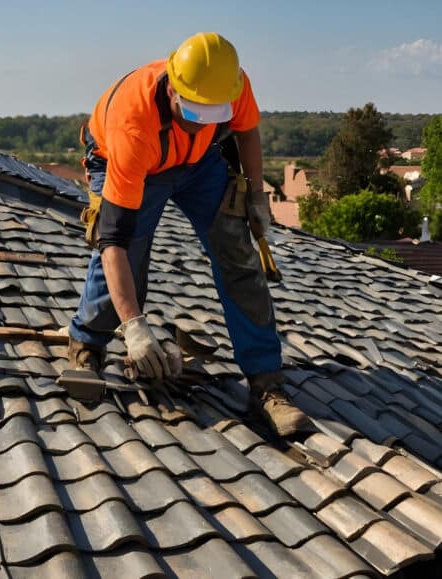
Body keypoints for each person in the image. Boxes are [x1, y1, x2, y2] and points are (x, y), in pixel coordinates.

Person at [67, 32, 310, 436]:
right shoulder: (135, 124)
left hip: (198, 164)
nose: (203, 122)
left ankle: (266, 383)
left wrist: (254, 193)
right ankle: (87, 345)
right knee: (133, 252)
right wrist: (135, 328)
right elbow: (114, 242)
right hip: (136, 163)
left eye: (213, 116)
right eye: (195, 113)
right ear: (173, 89)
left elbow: (247, 131)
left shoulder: (231, 84)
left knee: (238, 253)